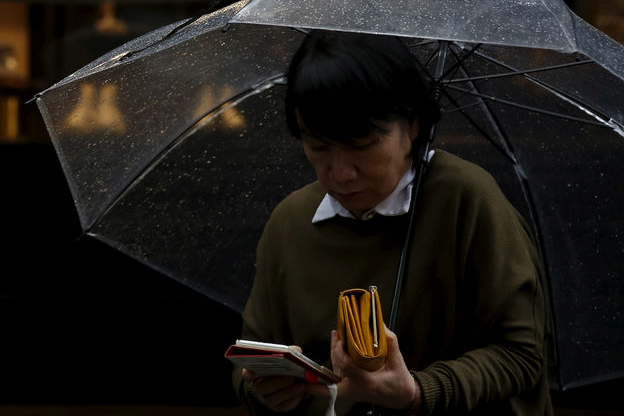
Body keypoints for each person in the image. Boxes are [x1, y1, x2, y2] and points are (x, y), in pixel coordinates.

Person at [232, 31, 552, 415]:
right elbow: (250, 355)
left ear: (412, 125)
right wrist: (264, 389)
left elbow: (522, 355)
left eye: (363, 145)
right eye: (318, 147)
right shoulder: (290, 221)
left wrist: (417, 391)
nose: (341, 173)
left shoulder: (466, 200)